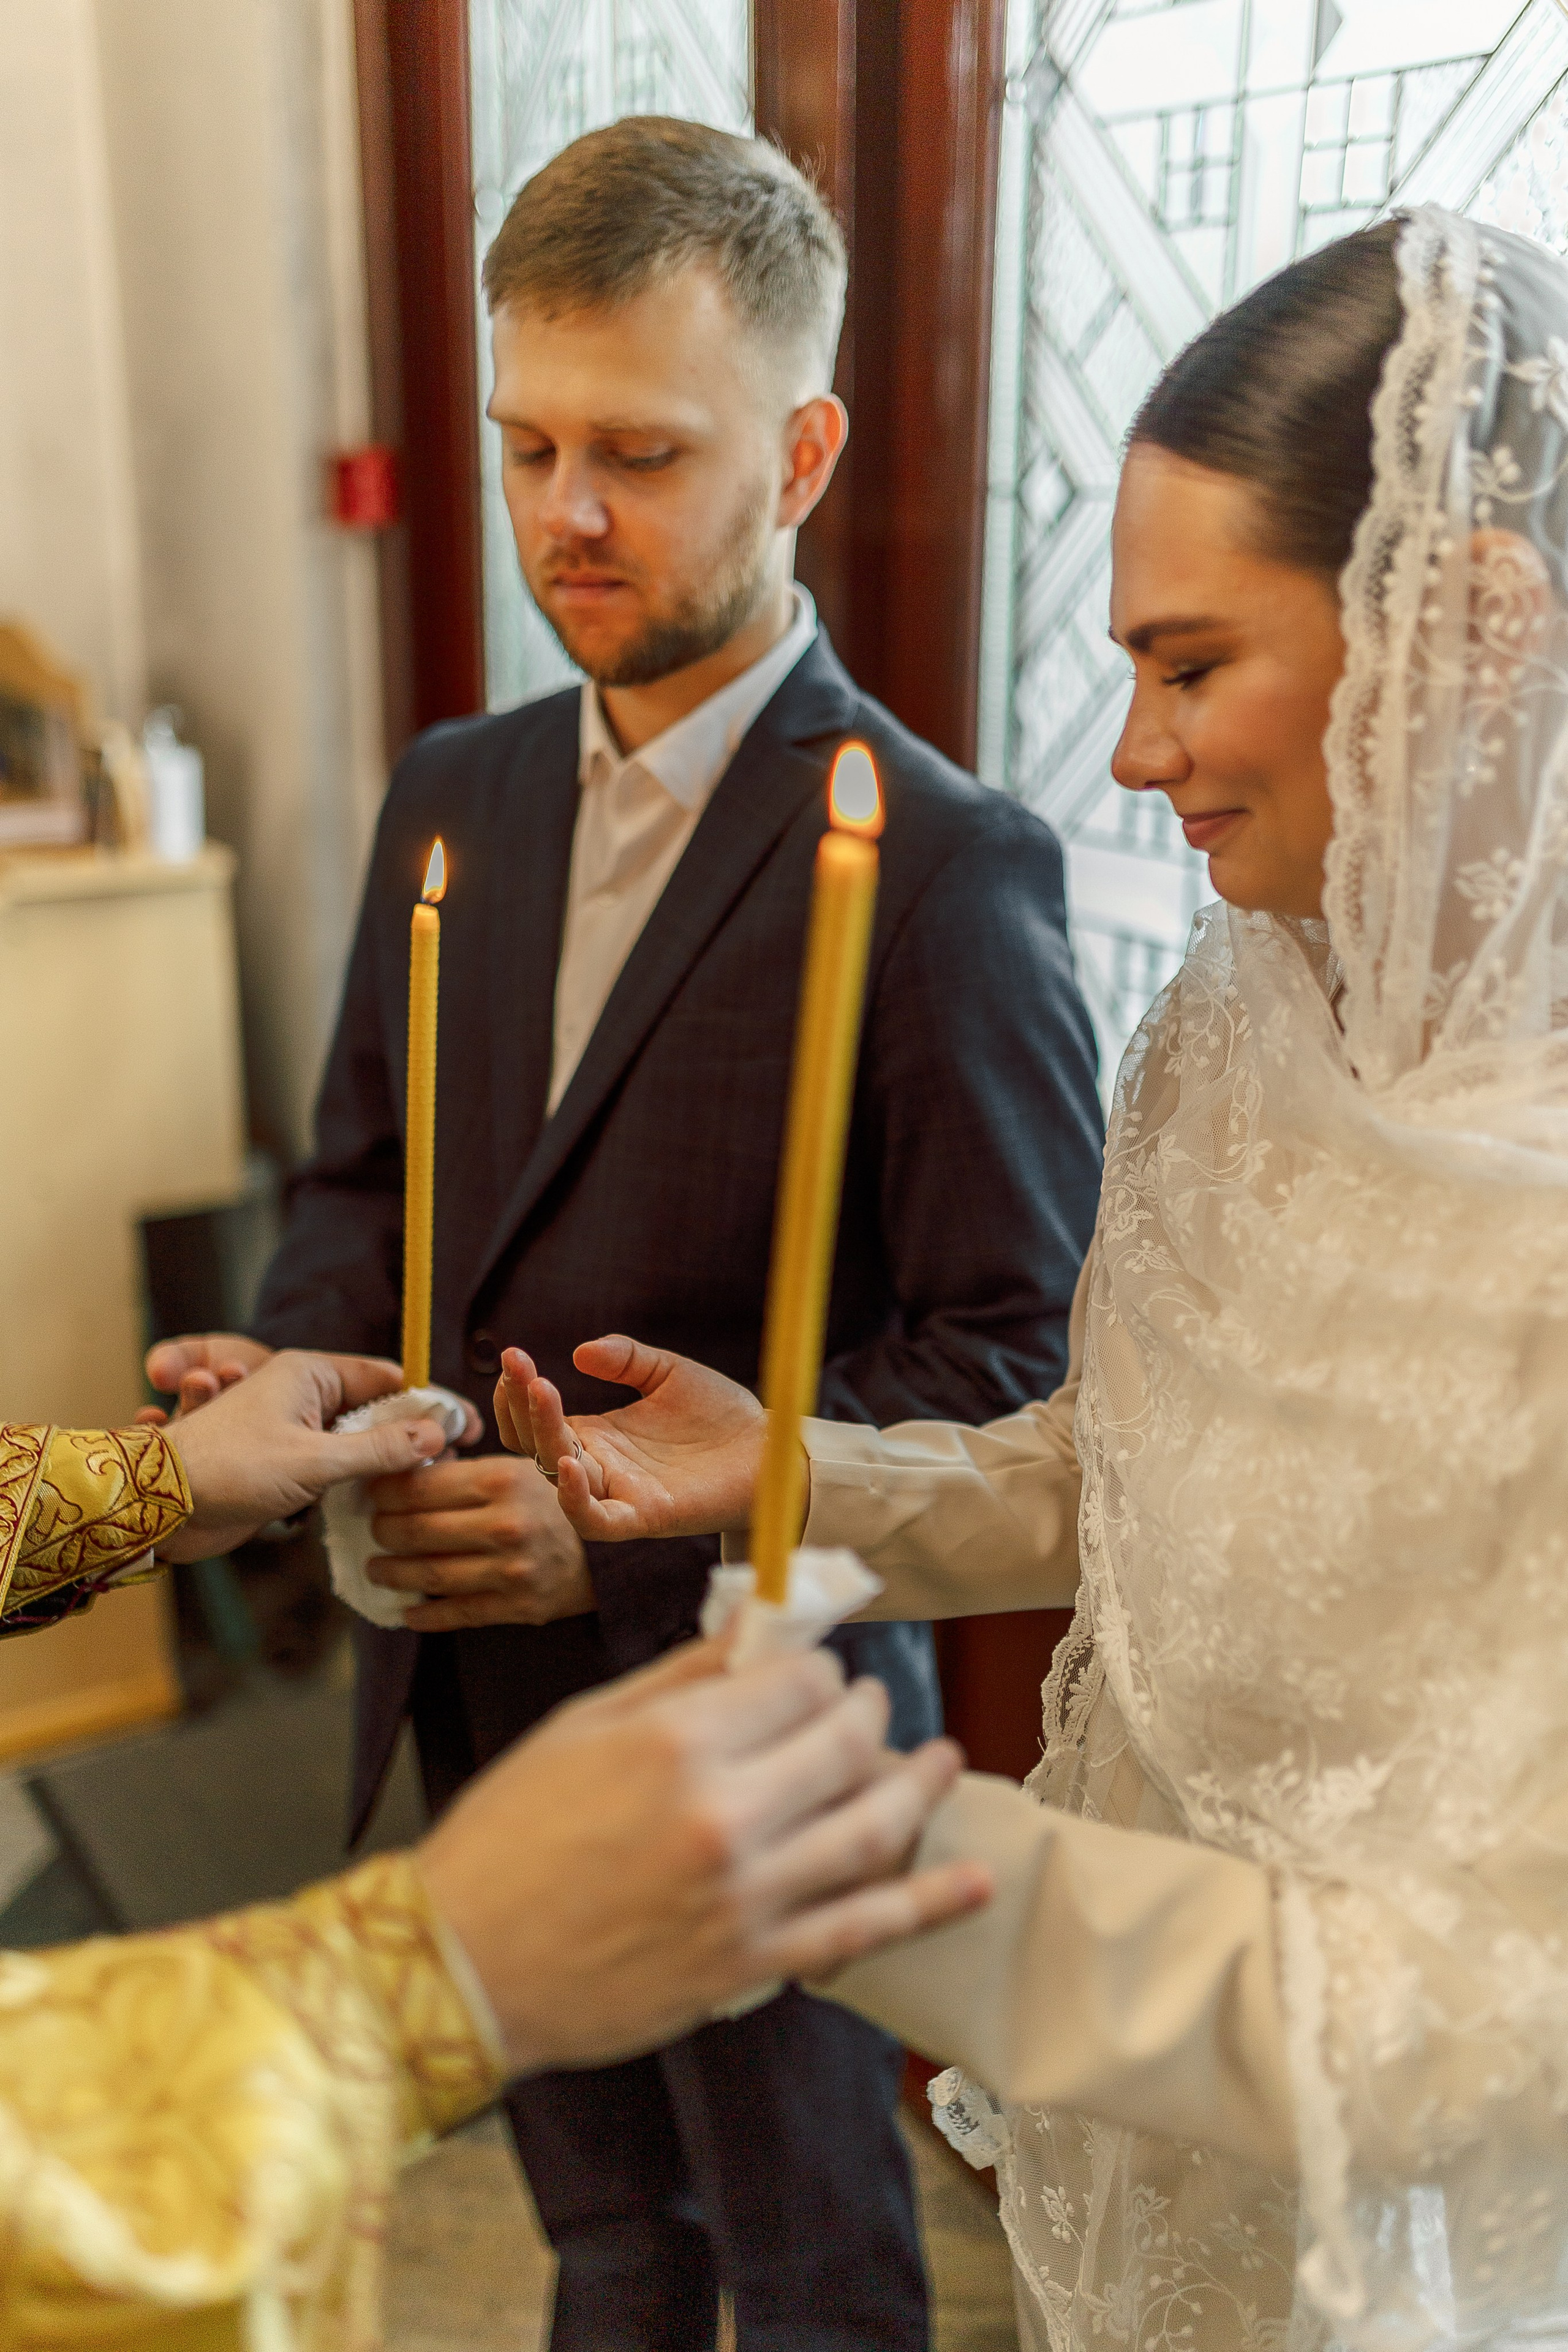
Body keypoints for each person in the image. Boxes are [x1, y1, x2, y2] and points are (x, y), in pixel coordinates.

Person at [505, 205, 1568, 2351]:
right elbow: (1152, 1474)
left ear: (1468, 618)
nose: (1133, 756)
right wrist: (800, 1479)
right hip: (1152, 2197)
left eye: (1191, 668)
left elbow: (1489, 2016)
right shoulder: (1244, 1023)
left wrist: (878, 1871)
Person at [149, 115, 1103, 2352]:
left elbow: (1019, 1369)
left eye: (644, 454)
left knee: (809, 2261)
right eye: (528, 444)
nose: (566, 515)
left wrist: (624, 1533)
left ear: (804, 449)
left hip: (747, 1706)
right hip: (465, 1678)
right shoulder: (453, 791)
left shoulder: (950, 872)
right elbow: (364, 1183)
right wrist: (301, 1369)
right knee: (603, 2242)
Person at [0, 1353, 984, 2345]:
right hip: (490, 1714)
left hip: (762, 1695)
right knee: (608, 2220)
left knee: (810, 2225)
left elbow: (999, 1387)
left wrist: (141, 1483)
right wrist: (411, 1973)